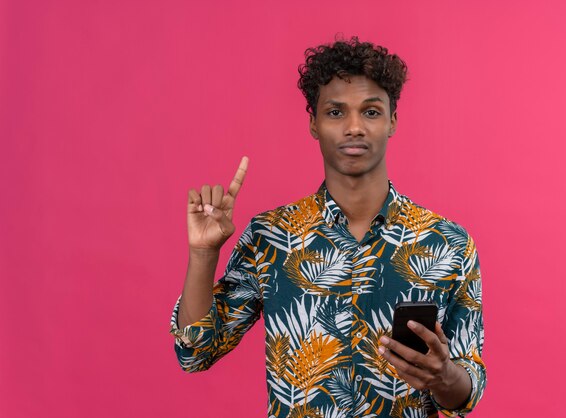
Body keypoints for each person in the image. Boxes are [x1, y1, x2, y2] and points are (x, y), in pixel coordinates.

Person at [170, 37, 486, 418]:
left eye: (371, 112)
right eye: (336, 113)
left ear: (392, 121)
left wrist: (444, 377)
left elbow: (467, 392)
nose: (354, 127)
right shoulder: (271, 236)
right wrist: (203, 255)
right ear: (314, 124)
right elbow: (195, 353)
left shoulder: (448, 243)